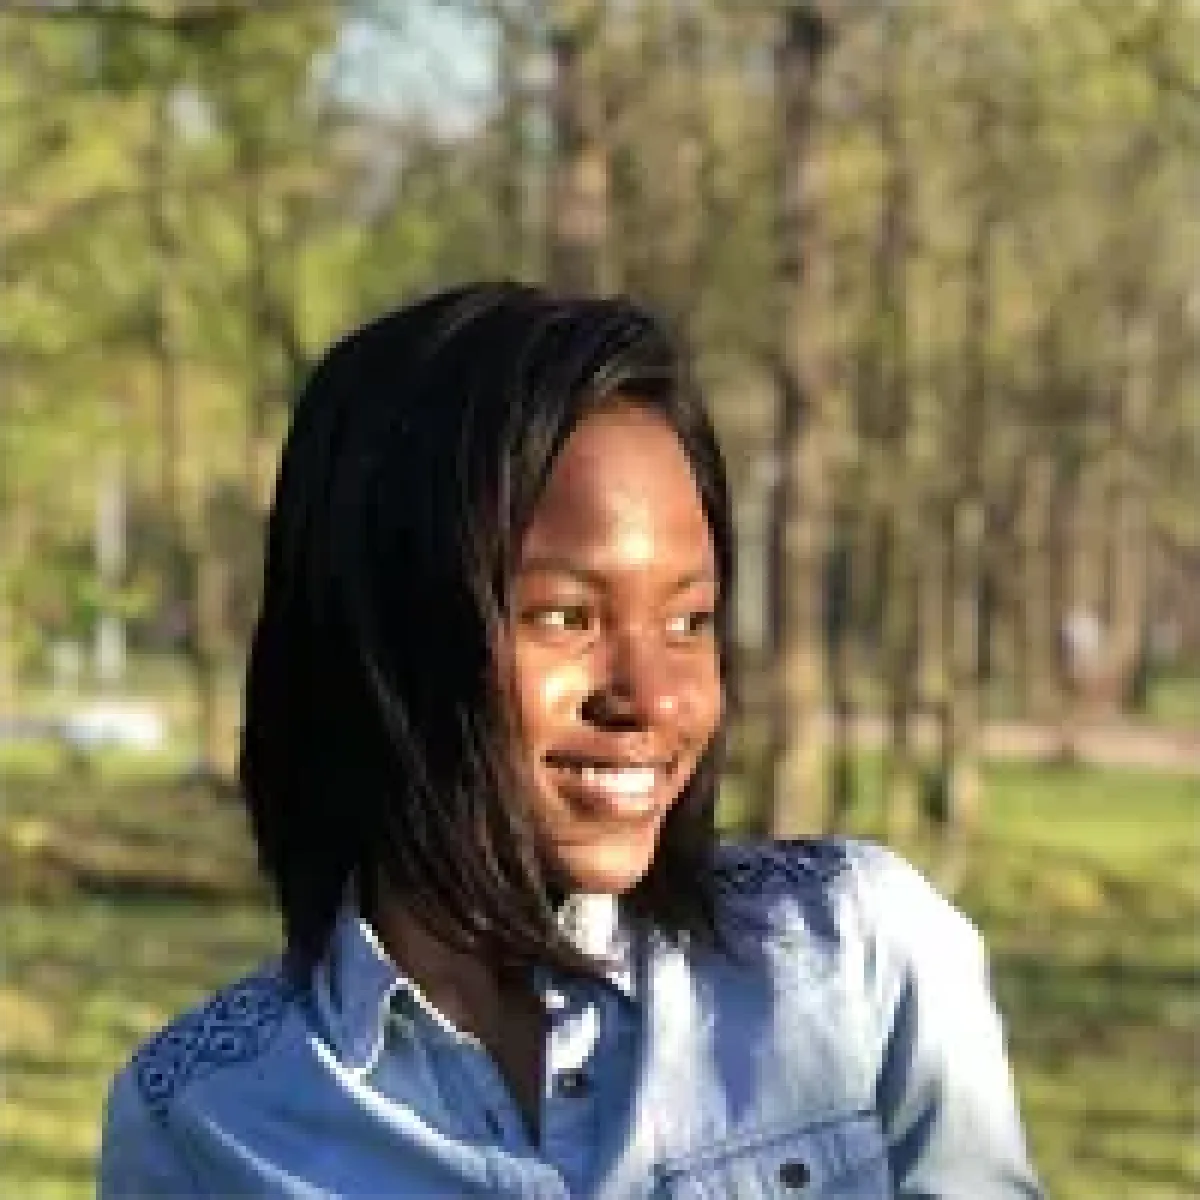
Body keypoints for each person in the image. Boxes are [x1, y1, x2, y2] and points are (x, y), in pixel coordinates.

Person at [100, 283, 1042, 1198]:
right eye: (565, 616)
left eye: (689, 620)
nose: (654, 697)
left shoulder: (853, 959)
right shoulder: (201, 1121)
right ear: (379, 633)